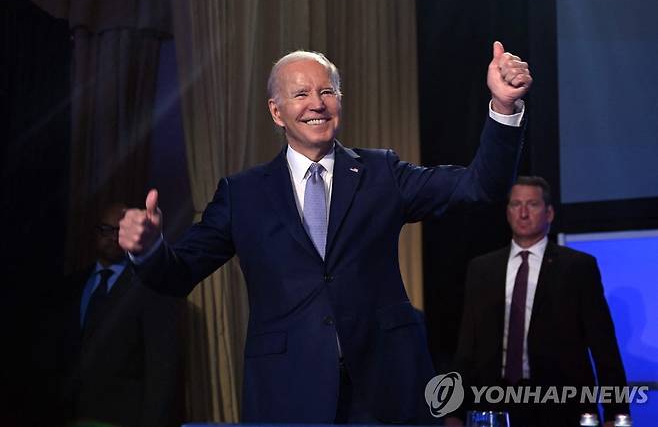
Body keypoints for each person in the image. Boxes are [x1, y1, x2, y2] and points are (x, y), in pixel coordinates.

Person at [119, 42, 532, 424]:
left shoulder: (381, 173)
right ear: (276, 112)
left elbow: (479, 187)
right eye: (300, 95)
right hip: (288, 392)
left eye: (327, 92)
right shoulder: (242, 194)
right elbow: (176, 274)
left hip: (386, 388)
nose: (317, 104)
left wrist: (503, 104)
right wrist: (149, 249)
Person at [450, 176, 629, 427]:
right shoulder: (482, 269)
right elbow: (466, 347)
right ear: (507, 212)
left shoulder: (577, 267)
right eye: (515, 204)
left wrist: (616, 414)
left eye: (532, 204)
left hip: (561, 408)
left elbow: (604, 348)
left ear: (549, 213)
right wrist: (453, 412)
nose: (523, 213)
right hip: (494, 406)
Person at [51, 203, 183, 427]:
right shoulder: (72, 285)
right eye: (106, 230)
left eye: (119, 230)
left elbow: (161, 367)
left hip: (124, 417)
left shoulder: (151, 285)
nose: (113, 237)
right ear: (95, 233)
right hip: (70, 414)